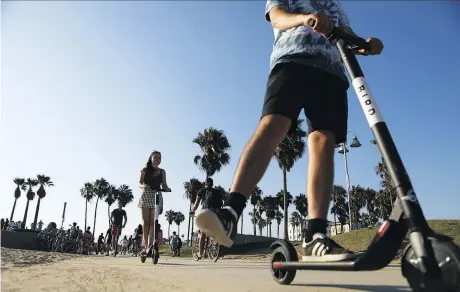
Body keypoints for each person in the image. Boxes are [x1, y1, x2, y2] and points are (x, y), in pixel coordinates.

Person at [195, 0, 383, 262]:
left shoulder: (336, 5)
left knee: (324, 142)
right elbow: (277, 17)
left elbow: (345, 38)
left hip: (332, 73)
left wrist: (365, 45)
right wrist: (305, 19)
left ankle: (315, 236)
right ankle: (230, 213)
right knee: (274, 125)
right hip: (292, 60)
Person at [138, 151, 171, 256]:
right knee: (146, 222)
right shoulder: (144, 170)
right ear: (150, 158)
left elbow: (164, 184)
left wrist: (166, 188)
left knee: (153, 222)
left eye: (159, 158)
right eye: (155, 157)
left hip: (157, 196)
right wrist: (144, 186)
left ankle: (150, 246)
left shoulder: (162, 172)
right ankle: (145, 245)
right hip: (146, 195)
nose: (157, 159)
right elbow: (139, 183)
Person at [190, 178, 223, 259]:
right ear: (212, 183)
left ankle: (200, 253)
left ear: (206, 183)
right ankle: (213, 246)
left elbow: (196, 204)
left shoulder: (202, 191)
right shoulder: (217, 191)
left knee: (203, 233)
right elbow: (221, 204)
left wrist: (192, 210)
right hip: (216, 212)